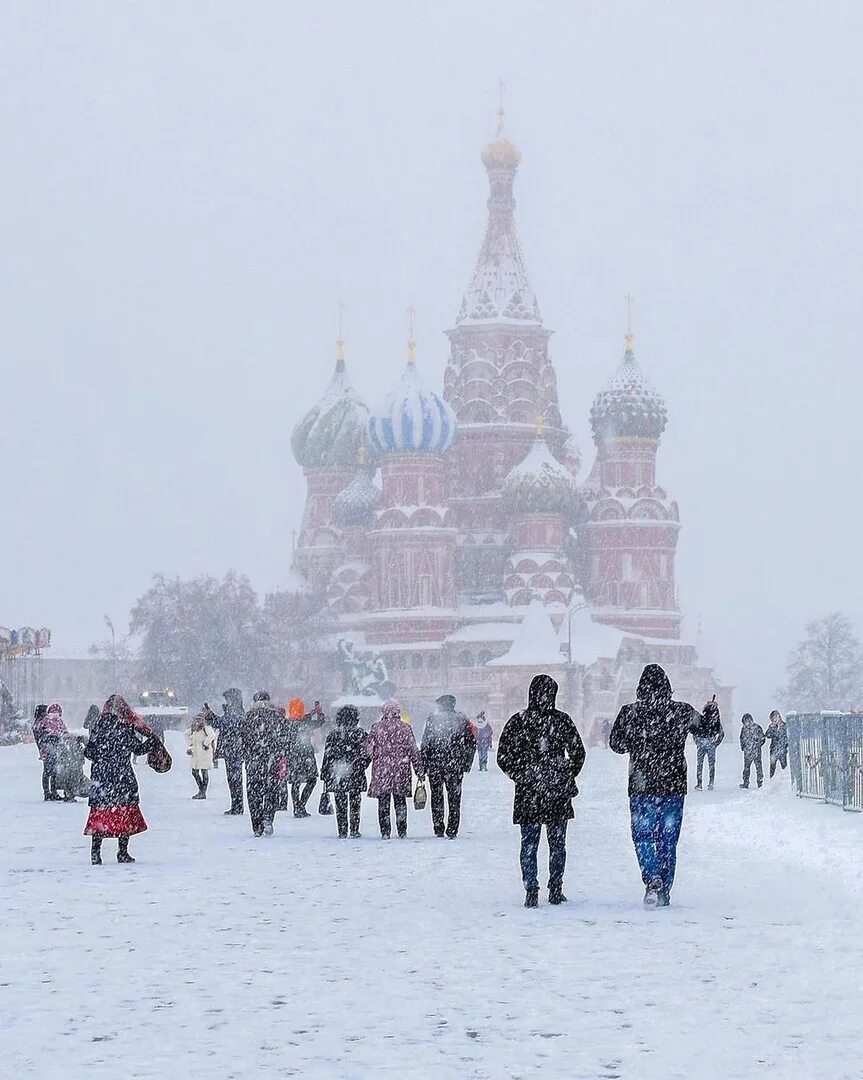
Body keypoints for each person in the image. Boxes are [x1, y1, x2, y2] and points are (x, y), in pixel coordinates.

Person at [610, 664, 701, 908]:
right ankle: (664, 890)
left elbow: (616, 745)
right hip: (673, 784)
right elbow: (708, 731)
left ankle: (651, 878)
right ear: (667, 687)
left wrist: (638, 741)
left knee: (642, 836)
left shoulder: (630, 712)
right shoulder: (681, 711)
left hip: (641, 784)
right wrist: (712, 712)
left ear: (641, 687)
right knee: (668, 839)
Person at [497, 674, 586, 908]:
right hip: (556, 791)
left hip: (529, 793)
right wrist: (566, 774)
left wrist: (522, 775)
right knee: (557, 843)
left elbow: (503, 757)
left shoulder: (518, 721)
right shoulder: (562, 721)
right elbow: (578, 753)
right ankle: (555, 887)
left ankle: (531, 888)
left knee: (529, 843)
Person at [83, 695, 160, 865]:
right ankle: (122, 852)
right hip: (122, 777)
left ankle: (96, 853)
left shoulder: (98, 727)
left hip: (102, 778)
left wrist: (102, 759)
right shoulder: (124, 727)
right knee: (125, 814)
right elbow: (138, 749)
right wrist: (153, 742)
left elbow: (89, 753)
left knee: (100, 816)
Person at [364, 699, 424, 839]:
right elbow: (413, 751)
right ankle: (402, 831)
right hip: (401, 770)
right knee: (400, 801)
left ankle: (385, 832)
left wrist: (365, 763)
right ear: (398, 712)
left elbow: (367, 750)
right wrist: (419, 770)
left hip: (381, 771)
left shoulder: (376, 728)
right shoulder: (405, 728)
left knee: (383, 802)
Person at [421, 694, 476, 839]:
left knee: (437, 797)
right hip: (455, 766)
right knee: (454, 797)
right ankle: (453, 828)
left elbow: (426, 743)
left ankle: (438, 826)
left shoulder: (432, 720)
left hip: (435, 765)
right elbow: (471, 743)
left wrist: (424, 764)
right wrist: (466, 763)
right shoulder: (462, 720)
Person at [321, 705, 369, 838]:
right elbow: (367, 753)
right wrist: (362, 765)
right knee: (355, 801)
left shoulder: (333, 734)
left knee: (340, 800)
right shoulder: (361, 734)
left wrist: (325, 772)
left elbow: (327, 755)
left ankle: (342, 830)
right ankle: (354, 828)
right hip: (355, 772)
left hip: (338, 773)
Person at [241, 691, 283, 837]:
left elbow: (242, 740)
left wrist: (247, 754)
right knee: (272, 790)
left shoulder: (247, 717)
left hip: (253, 761)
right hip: (272, 760)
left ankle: (256, 825)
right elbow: (284, 738)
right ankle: (268, 817)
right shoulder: (277, 716)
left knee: (254, 794)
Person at [284, 698, 326, 818]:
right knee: (312, 780)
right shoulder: (305, 723)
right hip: (306, 756)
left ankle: (297, 807)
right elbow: (320, 722)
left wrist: (312, 712)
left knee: (295, 783)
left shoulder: (287, 724)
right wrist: (319, 713)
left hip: (293, 756)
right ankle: (301, 805)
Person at [218, 688, 246, 815]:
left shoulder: (235, 711)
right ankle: (236, 804)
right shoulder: (235, 710)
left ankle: (237, 805)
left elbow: (227, 724)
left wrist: (212, 717)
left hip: (233, 749)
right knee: (233, 779)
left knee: (234, 778)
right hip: (232, 749)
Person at [32, 702, 67, 801]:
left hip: (47, 748)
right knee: (52, 771)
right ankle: (51, 792)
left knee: (48, 771)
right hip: (51, 748)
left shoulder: (40, 723)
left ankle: (49, 793)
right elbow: (63, 731)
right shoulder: (45, 722)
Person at [691, 697, 724, 791]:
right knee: (711, 764)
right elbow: (721, 733)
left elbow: (695, 731)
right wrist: (715, 743)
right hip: (711, 744)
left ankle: (699, 783)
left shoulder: (702, 719)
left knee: (700, 764)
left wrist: (697, 742)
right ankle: (711, 783)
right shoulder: (716, 721)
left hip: (701, 743)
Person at [187, 710, 219, 800]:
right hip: (196, 754)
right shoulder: (194, 729)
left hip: (205, 753)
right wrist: (190, 745)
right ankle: (201, 790)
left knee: (204, 771)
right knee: (195, 772)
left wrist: (205, 743)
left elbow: (212, 735)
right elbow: (187, 735)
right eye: (196, 719)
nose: (198, 721)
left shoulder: (206, 728)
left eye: (199, 719)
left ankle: (203, 792)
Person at [739, 713, 766, 789]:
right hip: (754, 750)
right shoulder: (756, 727)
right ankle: (758, 782)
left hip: (750, 750)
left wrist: (744, 747)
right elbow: (763, 739)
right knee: (757, 767)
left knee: (748, 767)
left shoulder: (747, 728)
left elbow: (742, 739)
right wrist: (758, 745)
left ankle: (747, 782)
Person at [765, 710, 789, 778]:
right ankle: (771, 780)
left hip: (782, 750)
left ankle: (785, 781)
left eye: (775, 719)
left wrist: (785, 744)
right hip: (773, 749)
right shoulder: (772, 727)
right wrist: (771, 728)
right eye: (772, 720)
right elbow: (767, 735)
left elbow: (788, 737)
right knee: (772, 767)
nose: (774, 721)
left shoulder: (785, 726)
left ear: (779, 717)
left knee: (784, 766)